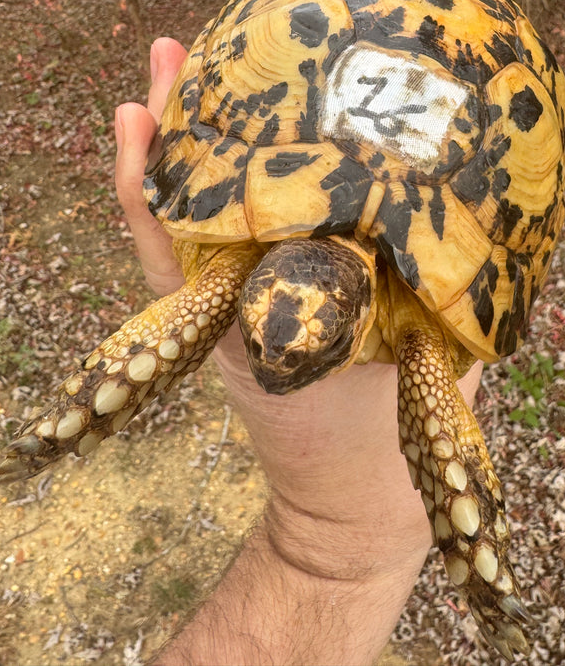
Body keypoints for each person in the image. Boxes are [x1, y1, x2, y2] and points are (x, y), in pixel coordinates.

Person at [114, 38, 483, 666]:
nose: (271, 366)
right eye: (256, 335)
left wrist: (342, 540)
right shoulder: (245, 270)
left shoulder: (414, 334)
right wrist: (337, 547)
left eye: (316, 349)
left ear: (359, 318)